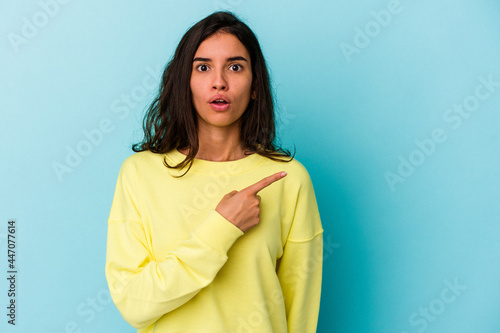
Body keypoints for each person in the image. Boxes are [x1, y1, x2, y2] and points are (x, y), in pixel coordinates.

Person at [105, 10, 323, 333]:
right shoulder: (139, 175)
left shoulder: (290, 180)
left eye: (235, 67)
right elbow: (133, 303)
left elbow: (300, 313)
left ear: (254, 86)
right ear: (185, 82)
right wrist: (221, 228)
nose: (219, 82)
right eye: (203, 67)